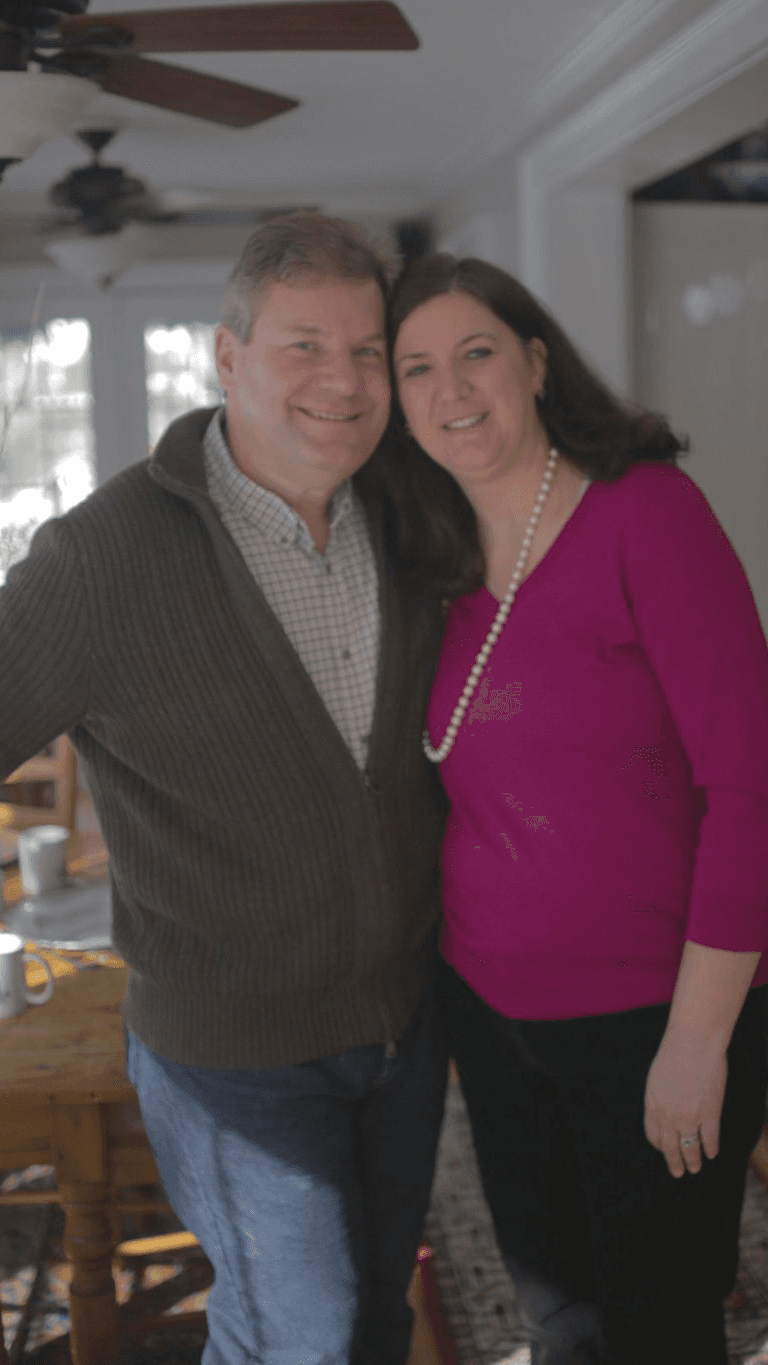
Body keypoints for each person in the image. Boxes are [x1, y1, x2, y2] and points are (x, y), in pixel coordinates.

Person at [0, 214, 450, 1365]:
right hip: (235, 1053)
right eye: (305, 345)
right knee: (296, 1340)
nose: (344, 383)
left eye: (366, 351)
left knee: (367, 1324)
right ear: (228, 355)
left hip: (403, 1024)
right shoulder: (104, 557)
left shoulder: (401, 512)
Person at [384, 253, 768, 1365]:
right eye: (417, 369)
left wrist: (699, 1042)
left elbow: (750, 786)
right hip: (494, 1015)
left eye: (477, 354)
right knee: (557, 1316)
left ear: (537, 362)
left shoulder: (647, 514)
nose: (452, 390)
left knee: (662, 1326)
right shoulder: (430, 561)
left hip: (658, 1015)